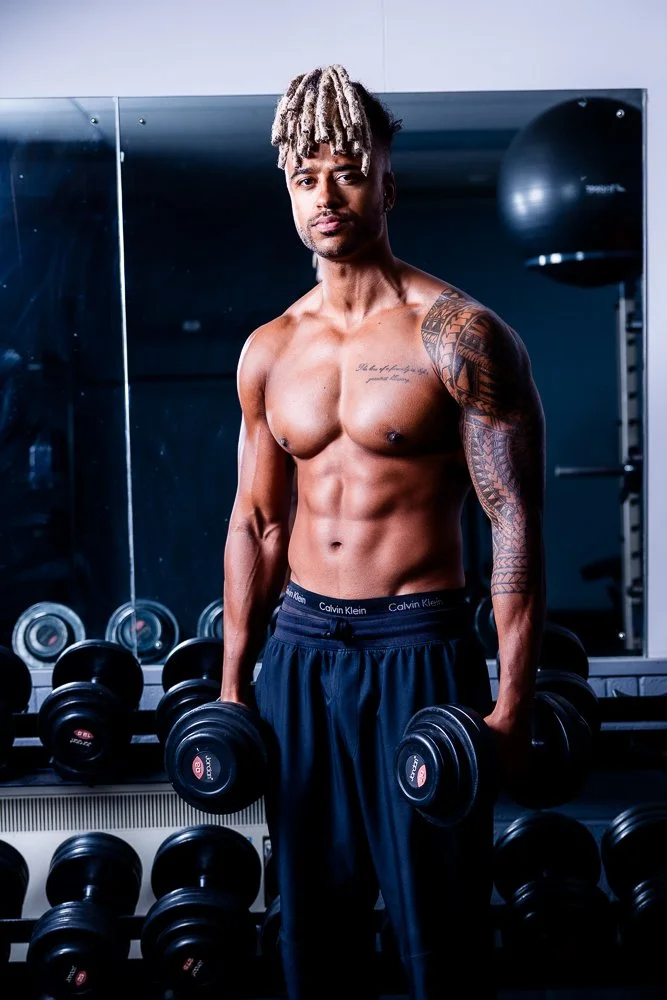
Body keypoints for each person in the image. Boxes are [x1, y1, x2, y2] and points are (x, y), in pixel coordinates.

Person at [220, 64, 546, 1000]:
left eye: (347, 173)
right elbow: (256, 520)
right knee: (309, 928)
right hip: (300, 654)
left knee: (435, 926)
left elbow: (512, 518)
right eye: (304, 177)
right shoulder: (269, 349)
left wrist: (514, 702)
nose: (325, 196)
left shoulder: (458, 335)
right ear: (288, 191)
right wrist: (234, 683)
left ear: (386, 184)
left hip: (418, 648)